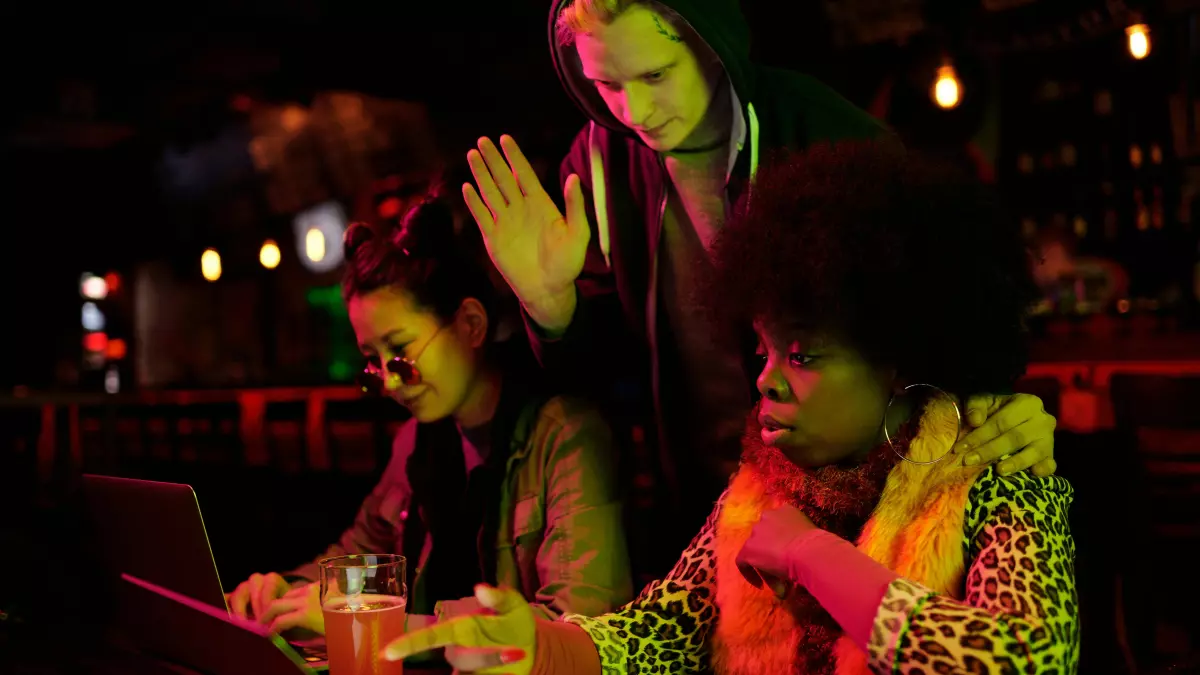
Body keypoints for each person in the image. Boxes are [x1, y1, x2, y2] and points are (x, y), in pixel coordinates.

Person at [382, 141, 1080, 674]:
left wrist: (814, 558)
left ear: (895, 362)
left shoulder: (999, 470)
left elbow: (1027, 658)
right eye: (763, 352)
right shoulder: (761, 482)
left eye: (802, 356)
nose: (768, 383)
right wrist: (538, 645)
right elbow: (655, 634)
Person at [460, 0, 1058, 558]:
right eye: (607, 85)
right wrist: (551, 307)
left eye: (656, 76)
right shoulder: (596, 164)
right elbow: (605, 382)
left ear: (711, 42)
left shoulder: (828, 133)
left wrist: (990, 405)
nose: (633, 112)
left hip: (856, 514)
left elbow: (947, 318)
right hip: (697, 518)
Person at [226, 193, 633, 635]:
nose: (390, 381)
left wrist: (375, 624)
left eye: (400, 353)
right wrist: (280, 592)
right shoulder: (420, 442)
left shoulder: (566, 434)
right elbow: (357, 558)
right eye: (373, 364)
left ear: (471, 324)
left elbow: (578, 629)